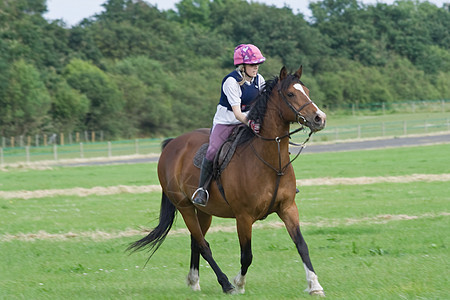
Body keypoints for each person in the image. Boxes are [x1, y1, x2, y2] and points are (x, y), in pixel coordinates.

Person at [192, 44, 266, 206]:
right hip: (226, 122)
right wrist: (252, 123)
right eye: (253, 64)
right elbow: (238, 114)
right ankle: (202, 190)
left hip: (248, 120)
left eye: (257, 64)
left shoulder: (259, 80)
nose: (256, 67)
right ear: (242, 65)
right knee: (212, 151)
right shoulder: (231, 82)